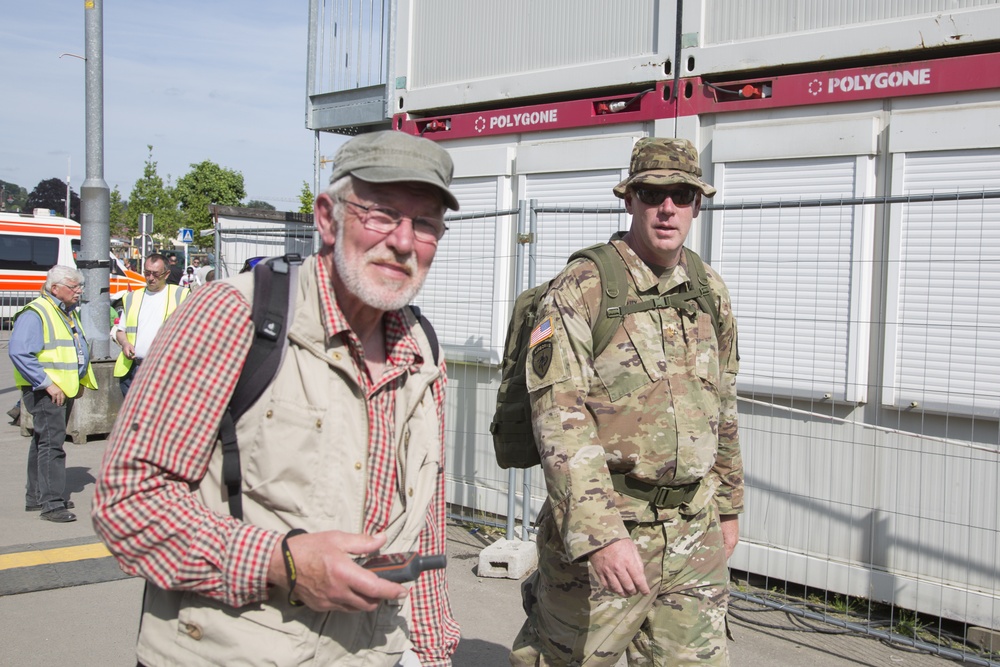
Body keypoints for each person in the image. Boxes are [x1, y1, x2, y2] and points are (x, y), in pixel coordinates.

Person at [92, 130, 462, 666]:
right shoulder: (234, 316)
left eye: (424, 223)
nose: (403, 242)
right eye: (381, 214)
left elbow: (423, 528)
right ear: (327, 217)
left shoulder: (422, 351)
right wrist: (280, 562)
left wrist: (432, 650)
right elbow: (128, 503)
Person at [509, 138, 743, 666]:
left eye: (681, 195)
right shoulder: (584, 287)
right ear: (630, 199)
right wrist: (599, 536)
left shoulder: (708, 290)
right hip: (611, 528)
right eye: (653, 193)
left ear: (697, 204)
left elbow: (723, 404)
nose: (667, 208)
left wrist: (728, 507)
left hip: (693, 529)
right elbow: (559, 417)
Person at [9, 265, 97, 523]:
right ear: (55, 288)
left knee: (42, 442)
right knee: (52, 446)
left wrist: (78, 379)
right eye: (73, 286)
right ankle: (52, 503)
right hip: (47, 391)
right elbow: (19, 352)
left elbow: (74, 350)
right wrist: (47, 383)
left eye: (79, 286)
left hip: (58, 388)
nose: (79, 291)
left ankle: (37, 496)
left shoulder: (64, 311)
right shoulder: (38, 311)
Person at [112, 254, 189, 396]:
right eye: (147, 273)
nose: (150, 278)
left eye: (155, 274)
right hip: (134, 369)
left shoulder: (181, 295)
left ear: (166, 274)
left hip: (166, 370)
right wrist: (125, 344)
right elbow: (120, 330)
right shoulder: (132, 297)